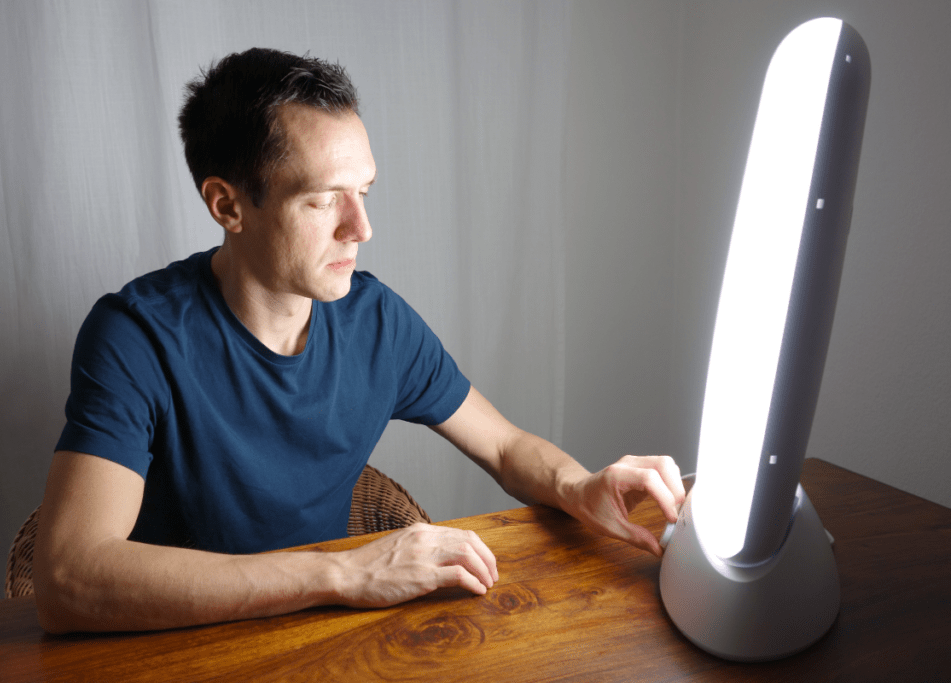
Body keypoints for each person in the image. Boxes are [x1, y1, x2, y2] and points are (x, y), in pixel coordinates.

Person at [33, 48, 685, 634]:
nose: (361, 227)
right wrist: (343, 574)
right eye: (323, 201)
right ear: (228, 206)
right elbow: (68, 578)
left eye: (364, 192)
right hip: (175, 645)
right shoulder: (136, 335)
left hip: (323, 637)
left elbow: (509, 446)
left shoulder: (377, 321)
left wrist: (578, 485)